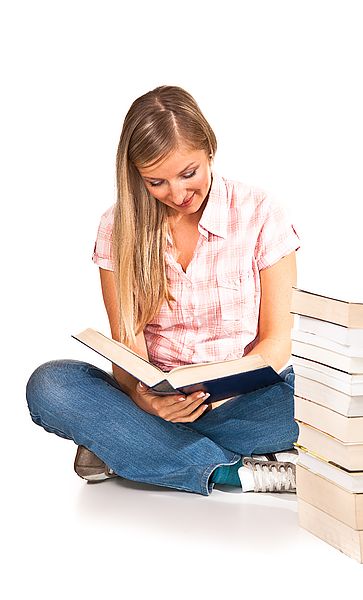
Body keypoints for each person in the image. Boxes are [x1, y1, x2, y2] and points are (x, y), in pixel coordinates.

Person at [26, 85, 301, 496]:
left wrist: (222, 396)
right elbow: (128, 347)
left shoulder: (261, 212)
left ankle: (124, 446)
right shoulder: (117, 227)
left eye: (188, 173)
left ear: (209, 149)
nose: (177, 194)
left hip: (244, 402)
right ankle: (230, 471)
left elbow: (277, 339)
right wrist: (147, 403)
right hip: (157, 406)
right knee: (50, 385)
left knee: (318, 401)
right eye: (157, 181)